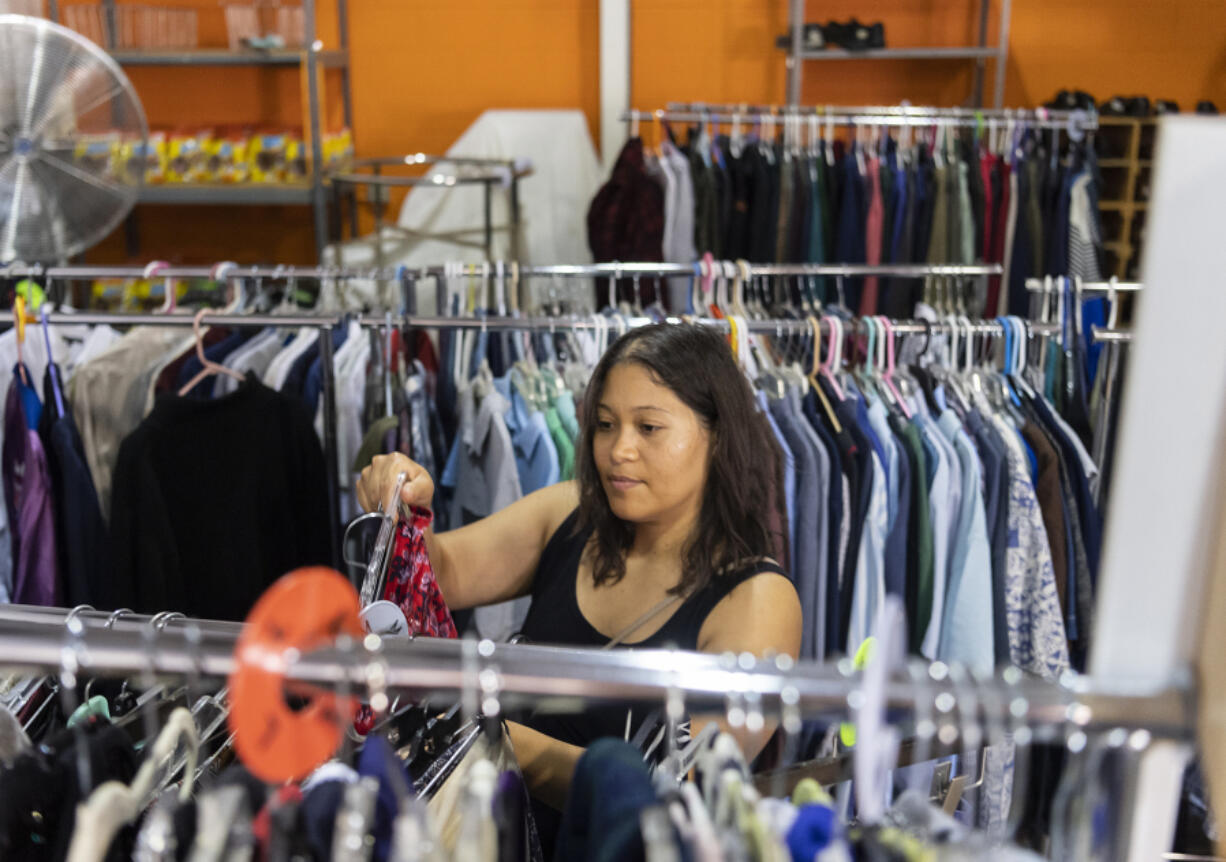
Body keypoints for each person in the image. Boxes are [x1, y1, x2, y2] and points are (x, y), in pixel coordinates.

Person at [356, 323, 802, 839]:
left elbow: (681, 790)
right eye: (606, 425)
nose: (618, 450)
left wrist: (500, 742)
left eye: (649, 428)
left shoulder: (757, 600)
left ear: (717, 434)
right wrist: (407, 508)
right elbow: (440, 576)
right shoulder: (571, 515)